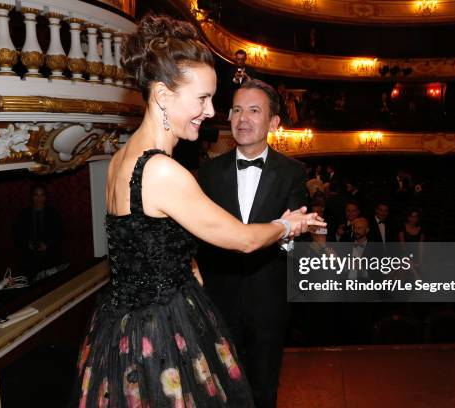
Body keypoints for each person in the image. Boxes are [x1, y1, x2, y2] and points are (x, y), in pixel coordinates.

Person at [70, 14, 324, 408]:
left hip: (121, 324)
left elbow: (145, 243)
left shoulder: (121, 159)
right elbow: (241, 240)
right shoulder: (162, 170)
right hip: (160, 335)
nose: (210, 112)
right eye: (202, 98)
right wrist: (286, 225)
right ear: (163, 95)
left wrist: (187, 265)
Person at [197, 79, 310, 408]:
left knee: (263, 390)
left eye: (254, 110)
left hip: (269, 302)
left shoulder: (293, 172)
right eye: (236, 110)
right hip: (217, 301)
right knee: (218, 390)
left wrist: (290, 234)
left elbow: (295, 238)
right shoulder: (207, 172)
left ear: (274, 122)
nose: (242, 118)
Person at [14, 184, 63, 281]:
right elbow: (17, 235)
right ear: (32, 197)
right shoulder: (23, 214)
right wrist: (28, 244)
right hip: (29, 256)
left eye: (42, 195)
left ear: (46, 197)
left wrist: (47, 244)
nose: (39, 198)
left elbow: (60, 233)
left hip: (50, 255)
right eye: (36, 195)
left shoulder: (53, 213)